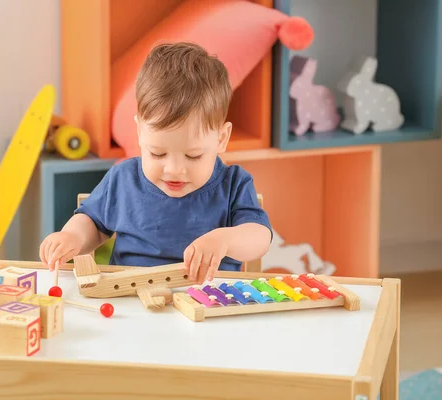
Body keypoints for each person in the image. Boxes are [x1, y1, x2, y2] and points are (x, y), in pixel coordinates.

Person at [39, 42, 272, 283]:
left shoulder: (233, 184)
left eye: (193, 156)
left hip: (207, 303)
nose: (173, 170)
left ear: (221, 139)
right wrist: (72, 237)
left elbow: (259, 236)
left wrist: (224, 240)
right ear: (140, 131)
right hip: (132, 300)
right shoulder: (123, 178)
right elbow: (93, 223)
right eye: (157, 153)